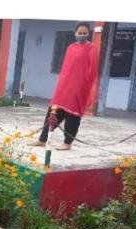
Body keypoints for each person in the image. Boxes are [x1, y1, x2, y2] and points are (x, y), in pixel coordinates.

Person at [30, 22, 99, 151]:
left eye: (85, 33)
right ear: (75, 33)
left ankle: (67, 143)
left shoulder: (92, 48)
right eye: (80, 33)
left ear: (88, 34)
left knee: (72, 115)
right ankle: (42, 139)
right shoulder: (71, 47)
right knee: (54, 110)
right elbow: (65, 68)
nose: (82, 35)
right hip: (64, 85)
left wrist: (86, 87)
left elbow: (92, 70)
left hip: (79, 86)